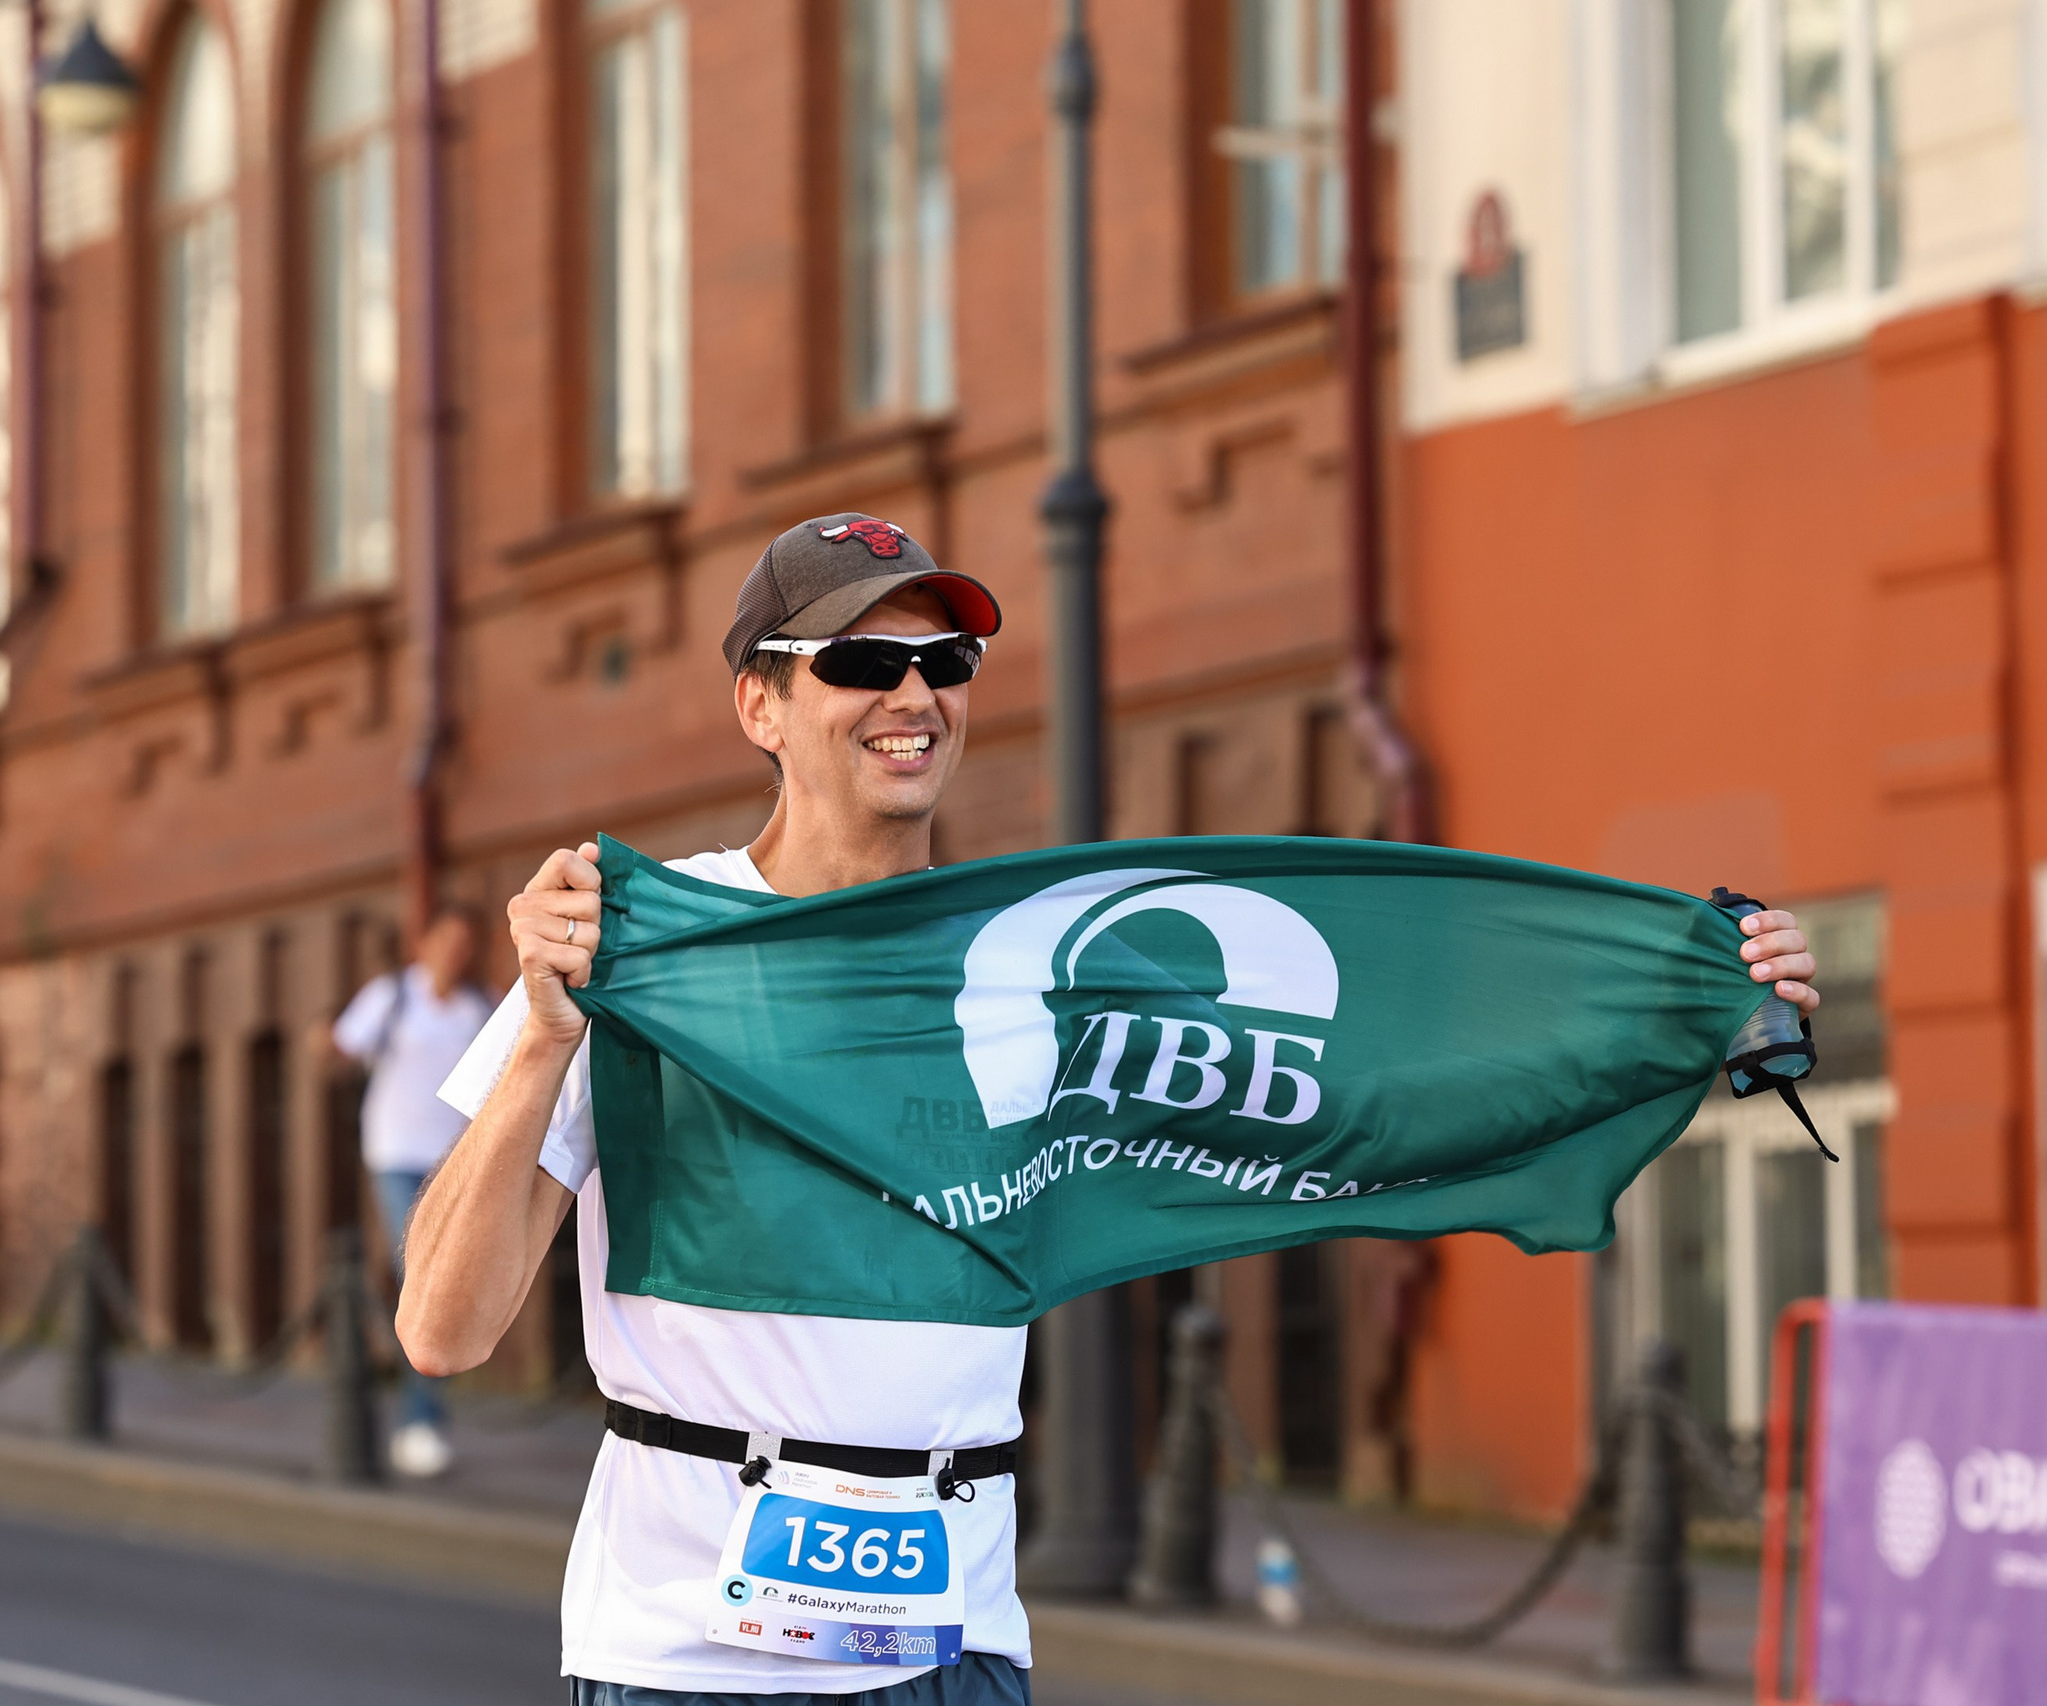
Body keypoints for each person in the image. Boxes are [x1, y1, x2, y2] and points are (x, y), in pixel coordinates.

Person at [398, 513, 1825, 1703]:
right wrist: (541, 1035)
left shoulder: (1030, 958)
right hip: (686, 1653)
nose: (915, 695)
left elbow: (1374, 1077)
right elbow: (440, 1330)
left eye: (945, 660)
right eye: (861, 660)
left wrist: (1684, 999)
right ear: (762, 703)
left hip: (955, 1644)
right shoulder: (651, 944)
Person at [333, 906, 495, 1477]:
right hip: (396, 1156)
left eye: (464, 943)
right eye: (446, 940)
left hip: (453, 1165)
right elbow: (341, 1048)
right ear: (425, 944)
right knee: (420, 1279)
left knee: (446, 1281)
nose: (455, 953)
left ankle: (417, 1403)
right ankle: (420, 1422)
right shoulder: (392, 996)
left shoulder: (482, 1008)